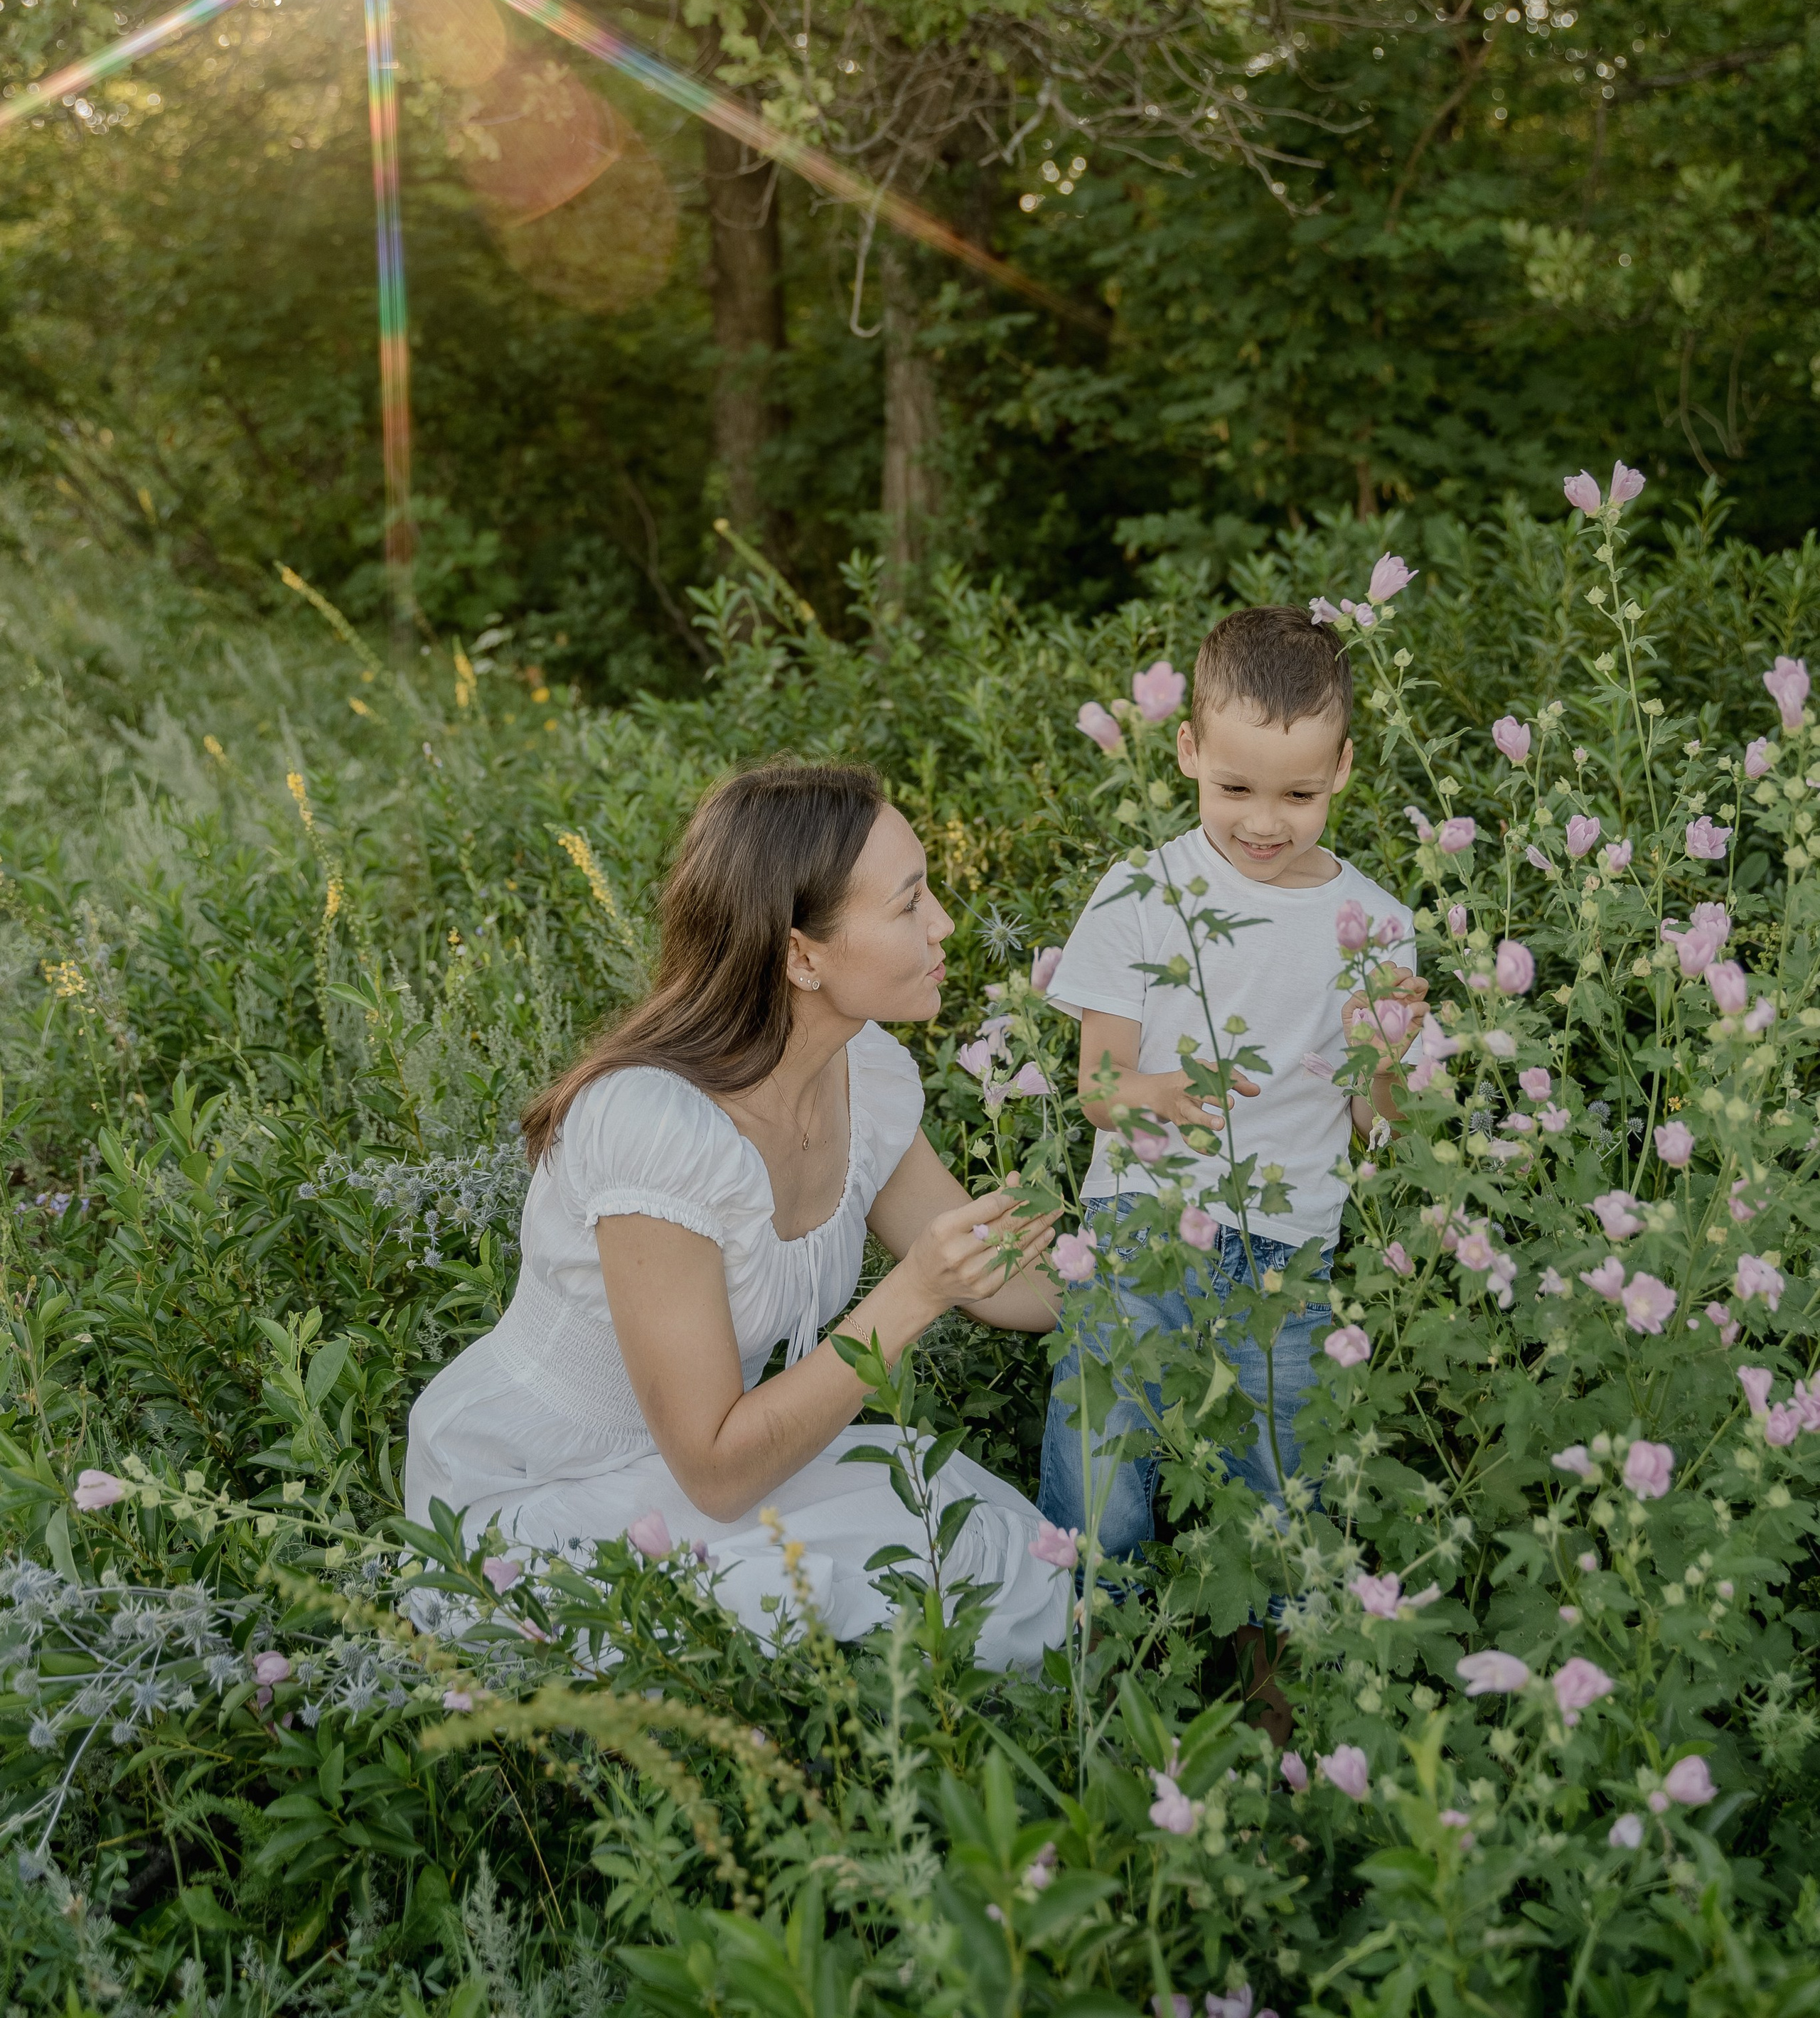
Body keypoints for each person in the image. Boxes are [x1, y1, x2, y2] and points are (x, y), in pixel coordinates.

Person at [406, 759, 1067, 1671]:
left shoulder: (861, 1077)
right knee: (833, 1602)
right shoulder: (654, 1129)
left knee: (994, 1548)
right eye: (909, 903)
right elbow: (716, 1472)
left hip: (714, 1467)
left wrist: (1177, 1265)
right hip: (543, 1492)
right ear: (801, 954)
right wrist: (914, 1294)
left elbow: (1006, 1280)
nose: (944, 923)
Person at [1037, 605, 1426, 1577]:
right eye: (1235, 786)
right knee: (1103, 1460)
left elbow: (1380, 1128)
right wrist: (1160, 1094)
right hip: (1141, 1226)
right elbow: (1097, 1087)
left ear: (1342, 769)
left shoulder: (1374, 922)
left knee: (1281, 1487)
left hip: (1290, 1248)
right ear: (1185, 751)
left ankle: (1277, 1691)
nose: (1264, 821)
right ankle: (1085, 1653)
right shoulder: (1141, 889)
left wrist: (1382, 1058)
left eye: (1299, 794)